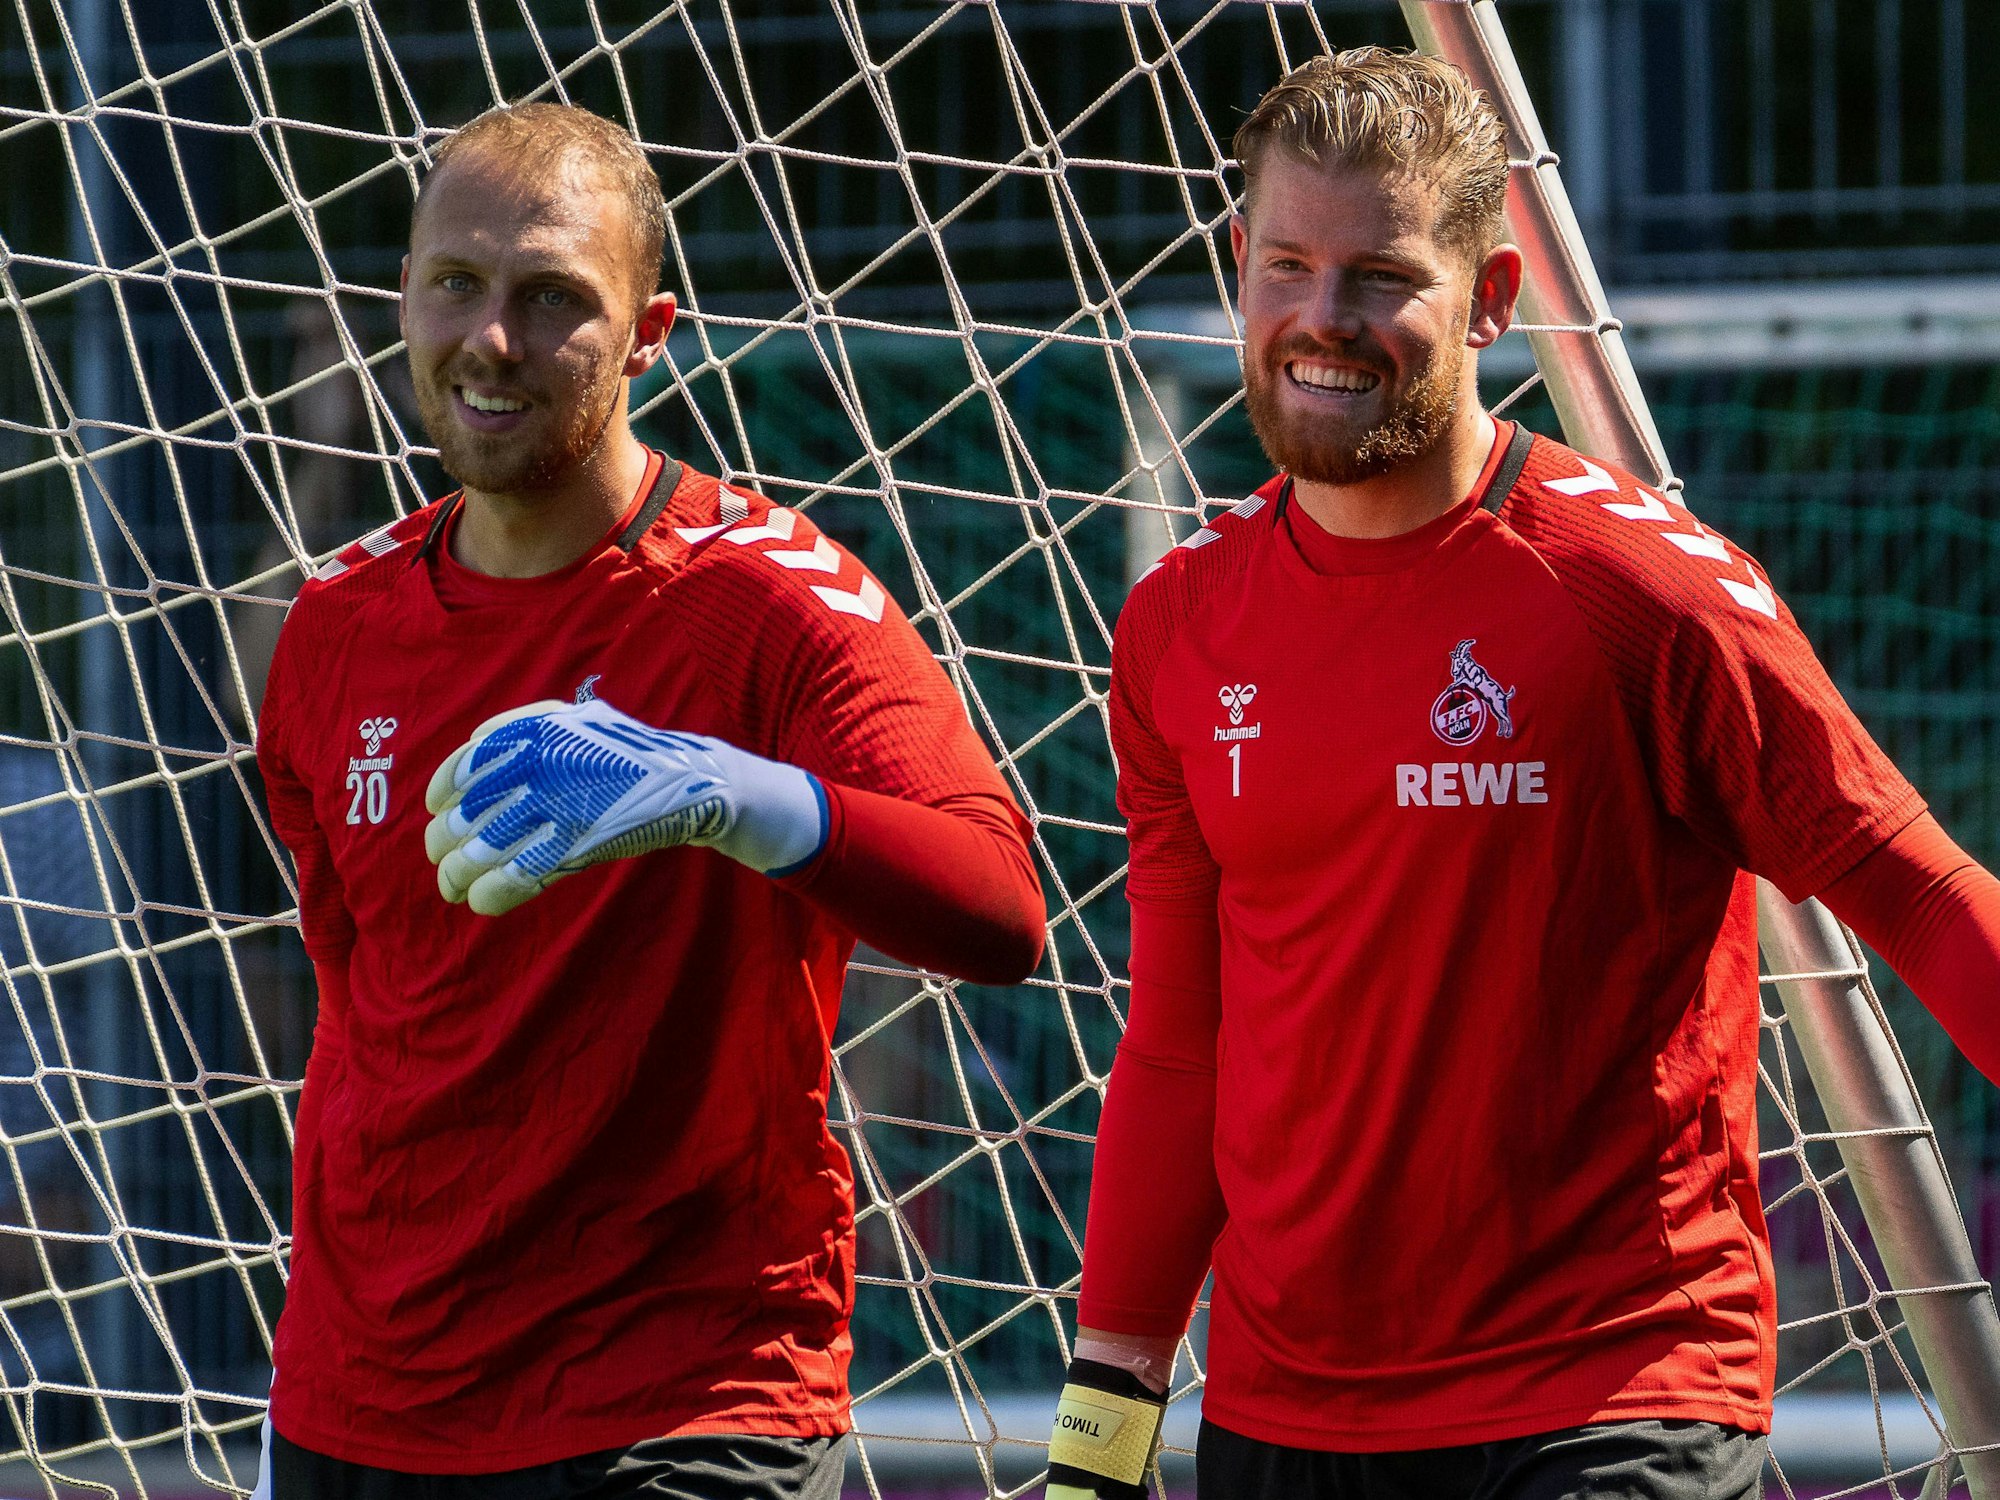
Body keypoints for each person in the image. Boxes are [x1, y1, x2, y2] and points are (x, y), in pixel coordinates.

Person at [1043, 47, 2000, 1500]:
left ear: (1492, 300)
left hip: (1608, 1401)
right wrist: (1105, 1420)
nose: (1320, 319)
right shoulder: (1180, 619)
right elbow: (1183, 1044)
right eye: (1287, 263)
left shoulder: (1640, 594)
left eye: (1378, 277)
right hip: (1285, 1421)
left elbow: (1922, 894)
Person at [254, 101, 1045, 1499]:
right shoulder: (335, 624)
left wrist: (734, 797)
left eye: (553, 297)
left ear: (649, 331)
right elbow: (367, 1001)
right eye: (457, 285)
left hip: (681, 1405)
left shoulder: (770, 599)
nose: (491, 340)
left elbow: (999, 907)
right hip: (362, 1404)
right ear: (405, 298)